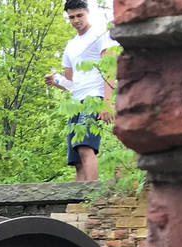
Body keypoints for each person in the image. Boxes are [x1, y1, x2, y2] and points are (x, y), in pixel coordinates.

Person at [44, 0, 116, 181]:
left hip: (94, 98)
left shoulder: (100, 34)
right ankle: (78, 202)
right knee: (76, 158)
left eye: (79, 16)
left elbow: (110, 68)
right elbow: (71, 83)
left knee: (85, 147)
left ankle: (92, 199)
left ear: (87, 13)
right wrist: (56, 80)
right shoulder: (71, 46)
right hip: (76, 102)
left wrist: (107, 101)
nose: (76, 20)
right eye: (71, 17)